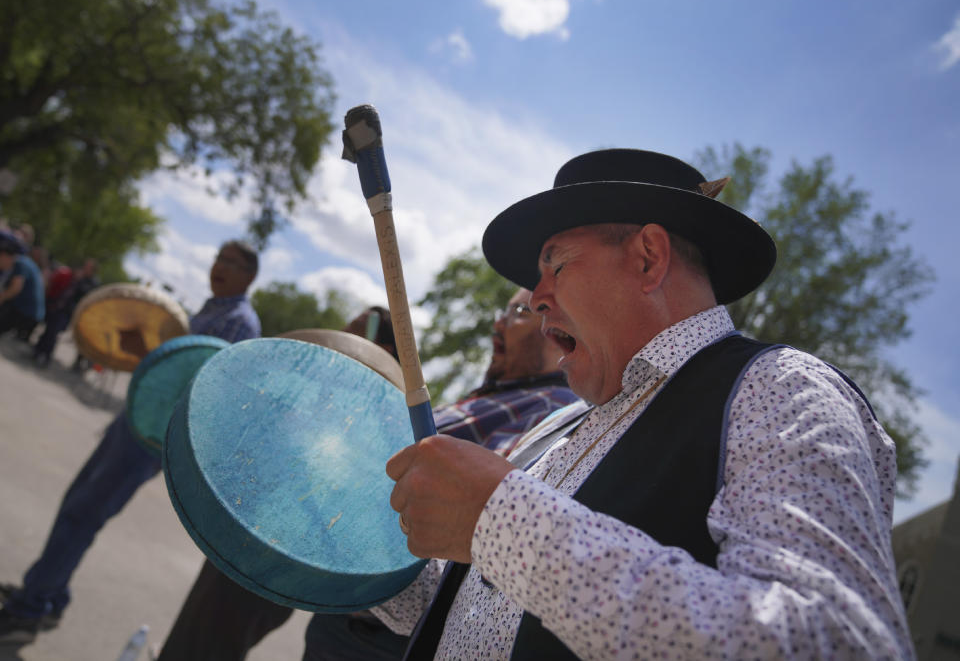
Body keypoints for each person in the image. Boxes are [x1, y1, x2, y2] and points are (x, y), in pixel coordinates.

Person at [375, 149, 912, 659]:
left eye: (555, 264)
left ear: (648, 258)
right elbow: (461, 604)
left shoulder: (778, 389)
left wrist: (504, 521)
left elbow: (836, 641)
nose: (535, 297)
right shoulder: (560, 424)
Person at [153, 290, 580, 661]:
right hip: (338, 567)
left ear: (557, 334)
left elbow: (459, 510)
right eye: (503, 312)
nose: (500, 323)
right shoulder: (500, 393)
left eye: (521, 312)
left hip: (382, 620)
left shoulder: (549, 410)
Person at [0, 240, 261, 644]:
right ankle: (47, 595)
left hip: (151, 438)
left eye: (230, 262)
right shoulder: (213, 310)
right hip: (136, 423)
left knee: (83, 513)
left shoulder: (240, 322)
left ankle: (29, 610)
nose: (218, 266)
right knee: (78, 505)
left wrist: (150, 352)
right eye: (217, 257)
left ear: (250, 276)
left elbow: (201, 390)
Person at [33, 258, 99, 367]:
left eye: (88, 267)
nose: (85, 268)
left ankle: (45, 356)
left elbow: (85, 297)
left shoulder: (91, 283)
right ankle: (38, 351)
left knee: (53, 333)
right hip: (58, 305)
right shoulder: (79, 276)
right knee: (49, 329)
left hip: (68, 311)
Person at [0, 235, 45, 339]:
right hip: (29, 312)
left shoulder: (20, 263)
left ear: (4, 255)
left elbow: (16, 287)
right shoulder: (25, 261)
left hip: (26, 311)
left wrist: (1, 297)